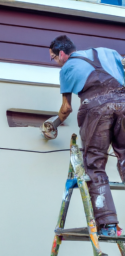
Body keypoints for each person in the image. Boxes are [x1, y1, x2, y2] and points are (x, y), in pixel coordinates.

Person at [48, 35, 125, 236]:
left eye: (53, 58)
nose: (55, 62)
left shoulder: (67, 69)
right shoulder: (108, 52)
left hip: (97, 110)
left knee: (94, 163)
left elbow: (66, 109)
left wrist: (52, 125)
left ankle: (107, 224)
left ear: (62, 54)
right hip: (124, 104)